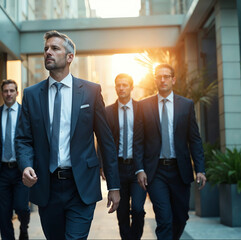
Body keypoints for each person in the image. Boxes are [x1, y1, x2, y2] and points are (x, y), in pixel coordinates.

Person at [15, 30, 121, 240]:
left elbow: (106, 141)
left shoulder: (90, 91)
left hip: (81, 185)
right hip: (47, 186)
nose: (48, 52)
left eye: (55, 48)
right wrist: (26, 165)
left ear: (70, 57)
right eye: (46, 49)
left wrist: (114, 185)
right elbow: (23, 139)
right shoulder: (32, 95)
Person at [133, 63, 207, 240]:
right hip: (156, 171)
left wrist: (201, 169)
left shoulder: (186, 105)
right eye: (159, 76)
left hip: (180, 170)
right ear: (155, 80)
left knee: (181, 217)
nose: (162, 79)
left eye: (166, 76)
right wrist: (140, 169)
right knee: (164, 219)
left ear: (173, 80)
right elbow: (138, 141)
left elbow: (194, 140)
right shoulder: (144, 106)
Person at [0, 80, 30, 240]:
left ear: (17, 93)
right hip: (0, 171)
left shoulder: (26, 112)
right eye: (5, 91)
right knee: (4, 214)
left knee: (22, 207)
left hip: (20, 170)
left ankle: (24, 228)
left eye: (11, 90)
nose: (8, 93)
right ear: (2, 93)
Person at [103, 73, 146, 240]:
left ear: (131, 87)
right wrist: (103, 166)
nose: (121, 88)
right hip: (118, 168)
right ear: (115, 88)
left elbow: (147, 139)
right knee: (121, 211)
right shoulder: (107, 112)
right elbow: (103, 142)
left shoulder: (142, 109)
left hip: (137, 168)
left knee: (137, 208)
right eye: (118, 85)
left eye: (125, 85)